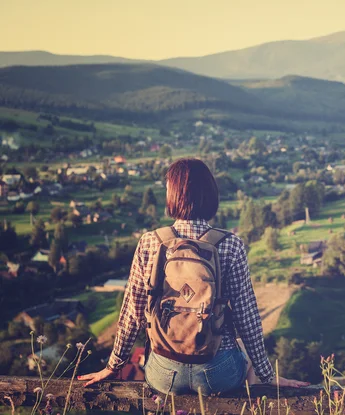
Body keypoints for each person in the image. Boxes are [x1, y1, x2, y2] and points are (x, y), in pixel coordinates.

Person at [79, 158, 308, 394]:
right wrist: (267, 374)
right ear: (209, 195)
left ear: (172, 195)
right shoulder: (230, 245)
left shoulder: (150, 242)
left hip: (163, 373)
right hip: (216, 373)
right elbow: (246, 317)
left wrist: (113, 366)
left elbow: (132, 313)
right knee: (245, 354)